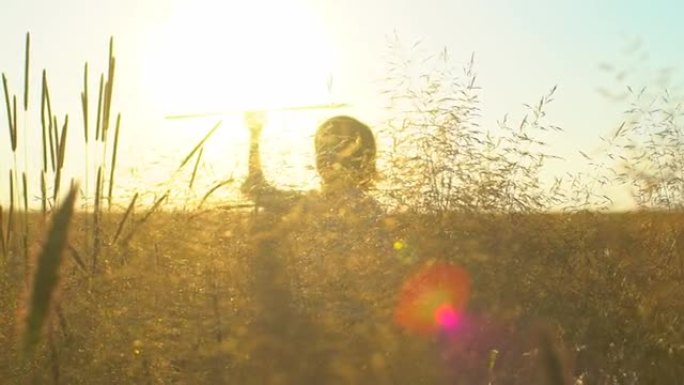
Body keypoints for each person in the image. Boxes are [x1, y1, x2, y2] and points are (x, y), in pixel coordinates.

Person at [240, 112, 402, 384]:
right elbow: (256, 189)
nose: (325, 155)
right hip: (333, 338)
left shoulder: (334, 206)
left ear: (360, 159)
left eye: (336, 148)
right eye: (322, 147)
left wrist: (255, 135)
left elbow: (255, 189)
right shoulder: (337, 205)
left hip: (336, 340)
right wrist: (255, 135)